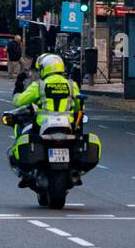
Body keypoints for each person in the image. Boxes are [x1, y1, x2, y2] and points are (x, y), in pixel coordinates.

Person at [9, 54, 82, 184]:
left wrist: (18, 85)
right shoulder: (72, 85)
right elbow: (78, 107)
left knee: (25, 134)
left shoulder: (40, 85)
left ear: (45, 69)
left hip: (43, 124)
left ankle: (27, 172)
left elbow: (19, 101)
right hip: (67, 125)